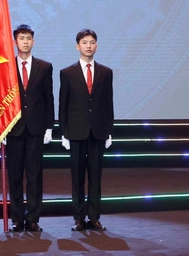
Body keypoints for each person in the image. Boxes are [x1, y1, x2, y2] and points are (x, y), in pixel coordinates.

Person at [59, 29, 114, 232]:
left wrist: (109, 130)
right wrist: (63, 132)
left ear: (96, 46)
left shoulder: (106, 72)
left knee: (96, 177)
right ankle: (79, 218)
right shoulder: (67, 73)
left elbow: (108, 103)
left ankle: (94, 217)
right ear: (77, 46)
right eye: (84, 42)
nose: (88, 46)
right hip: (76, 131)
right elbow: (63, 104)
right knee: (77, 177)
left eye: (92, 42)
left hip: (98, 131)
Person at [5, 25, 54, 233]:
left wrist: (49, 127)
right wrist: (2, 128)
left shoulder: (44, 67)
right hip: (13, 129)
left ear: (33, 41)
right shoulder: (6, 67)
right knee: (15, 176)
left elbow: (48, 98)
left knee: (34, 176)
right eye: (21, 38)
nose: (25, 42)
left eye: (28, 38)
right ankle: (17, 219)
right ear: (15, 42)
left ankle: (33, 218)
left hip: (36, 129)